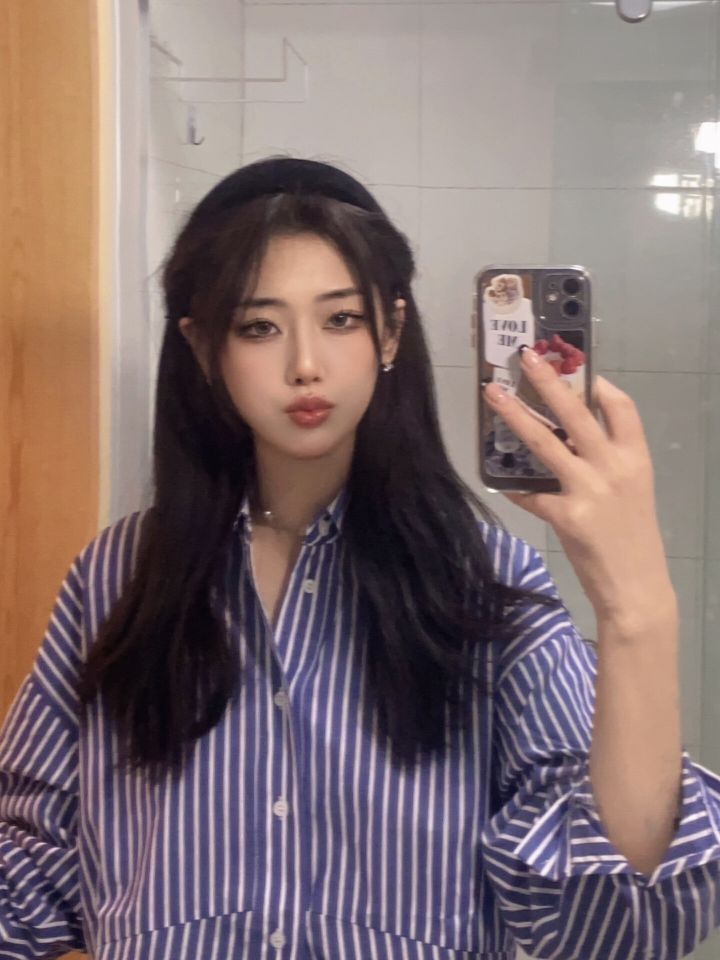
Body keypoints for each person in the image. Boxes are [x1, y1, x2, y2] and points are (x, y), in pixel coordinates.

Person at [1, 156, 719, 960]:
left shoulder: (484, 578)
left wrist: (637, 610)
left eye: (341, 318)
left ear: (391, 330)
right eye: (259, 327)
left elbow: (618, 922)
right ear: (203, 348)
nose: (305, 364)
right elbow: (31, 865)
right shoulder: (117, 575)